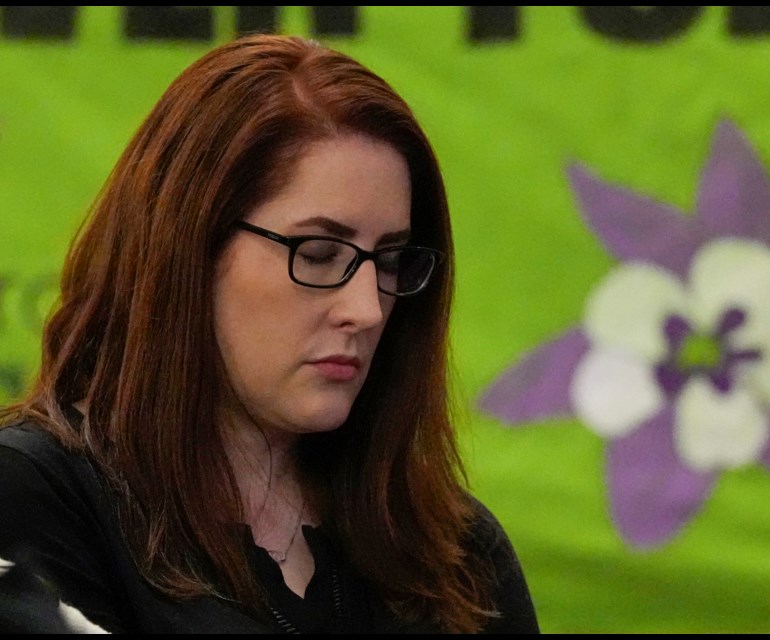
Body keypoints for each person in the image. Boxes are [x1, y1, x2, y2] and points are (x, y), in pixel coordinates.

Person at [0, 34, 540, 634]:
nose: (367, 309)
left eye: (388, 262)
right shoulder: (32, 496)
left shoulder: (456, 552)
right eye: (317, 252)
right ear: (187, 249)